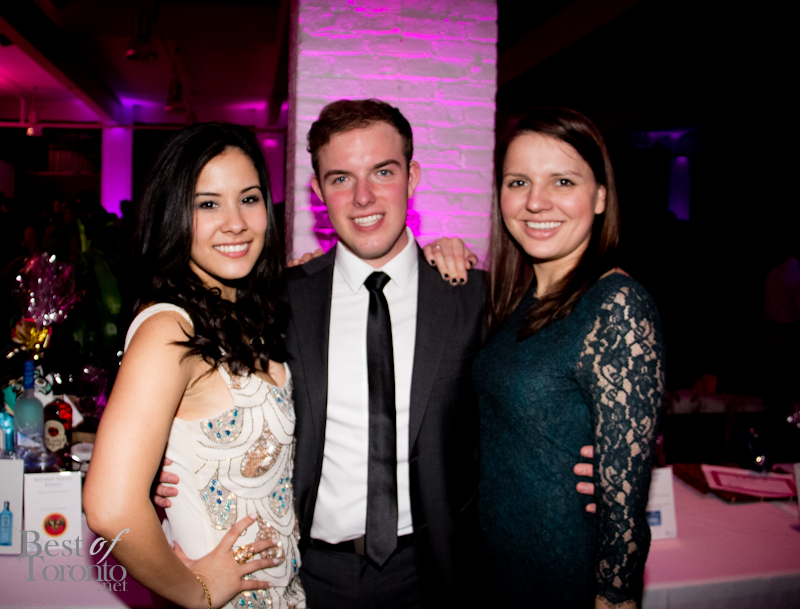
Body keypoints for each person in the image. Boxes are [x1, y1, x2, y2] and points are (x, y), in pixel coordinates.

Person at [155, 100, 598, 608]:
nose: (363, 196)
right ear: (318, 191)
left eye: (382, 172)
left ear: (412, 178)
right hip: (307, 573)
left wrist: (581, 459)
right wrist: (166, 468)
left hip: (438, 574)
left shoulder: (475, 298)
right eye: (341, 178)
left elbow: (528, 397)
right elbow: (212, 398)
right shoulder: (279, 299)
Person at [426, 108, 665, 608]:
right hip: (493, 566)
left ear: (600, 197)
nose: (536, 202)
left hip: (561, 571)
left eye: (562, 181)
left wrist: (615, 595)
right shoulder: (516, 299)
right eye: (518, 182)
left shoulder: (616, 304)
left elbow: (625, 509)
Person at [83, 123, 306, 609]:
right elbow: (109, 508)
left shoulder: (249, 312)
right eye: (208, 204)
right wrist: (197, 593)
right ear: (173, 215)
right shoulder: (169, 329)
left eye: (249, 199)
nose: (235, 223)